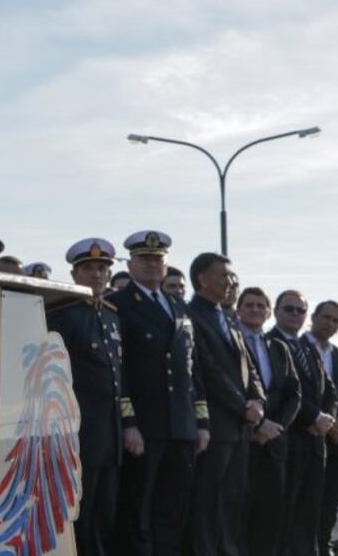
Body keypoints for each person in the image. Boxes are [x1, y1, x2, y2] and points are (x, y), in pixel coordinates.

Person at [109, 230, 208, 556]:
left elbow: (192, 369)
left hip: (180, 425)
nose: (152, 265)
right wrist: (129, 422)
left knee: (172, 509)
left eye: (158, 259)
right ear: (131, 263)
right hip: (145, 427)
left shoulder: (179, 306)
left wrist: (201, 421)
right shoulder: (118, 304)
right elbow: (118, 371)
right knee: (139, 509)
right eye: (144, 259)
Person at [46, 238, 132, 556]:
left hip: (109, 432)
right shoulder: (62, 314)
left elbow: (118, 376)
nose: (96, 275)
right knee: (79, 512)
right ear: (74, 273)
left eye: (102, 268)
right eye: (88, 268)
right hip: (77, 430)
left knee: (104, 514)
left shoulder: (111, 314)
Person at [185, 253, 265, 556]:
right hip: (215, 424)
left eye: (233, 277)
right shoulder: (192, 315)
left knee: (232, 501)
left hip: (240, 427)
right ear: (203, 280)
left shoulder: (228, 319)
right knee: (208, 503)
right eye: (224, 276)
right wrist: (241, 406)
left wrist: (257, 400)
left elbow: (250, 368)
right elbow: (207, 369)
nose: (232, 282)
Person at [238, 287, 301, 556]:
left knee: (270, 517)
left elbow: (293, 393)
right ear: (239, 309)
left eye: (260, 305)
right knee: (240, 515)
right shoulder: (232, 340)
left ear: (267, 313)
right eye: (249, 304)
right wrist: (257, 425)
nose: (254, 309)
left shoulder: (278, 347)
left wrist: (275, 428)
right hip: (242, 440)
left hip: (274, 444)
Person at [273, 290, 336, 556]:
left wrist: (326, 419)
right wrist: (313, 418)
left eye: (300, 310)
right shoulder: (270, 344)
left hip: (315, 443)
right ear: (276, 311)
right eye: (289, 309)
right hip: (289, 439)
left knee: (309, 513)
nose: (295, 315)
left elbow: (330, 391)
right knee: (284, 511)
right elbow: (281, 392)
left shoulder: (308, 348)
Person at [305, 301, 338, 556]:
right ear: (313, 317)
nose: (331, 323)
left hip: (332, 437)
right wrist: (316, 420)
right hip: (303, 434)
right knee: (304, 501)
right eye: (326, 317)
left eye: (337, 320)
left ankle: (324, 545)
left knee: (330, 500)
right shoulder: (295, 347)